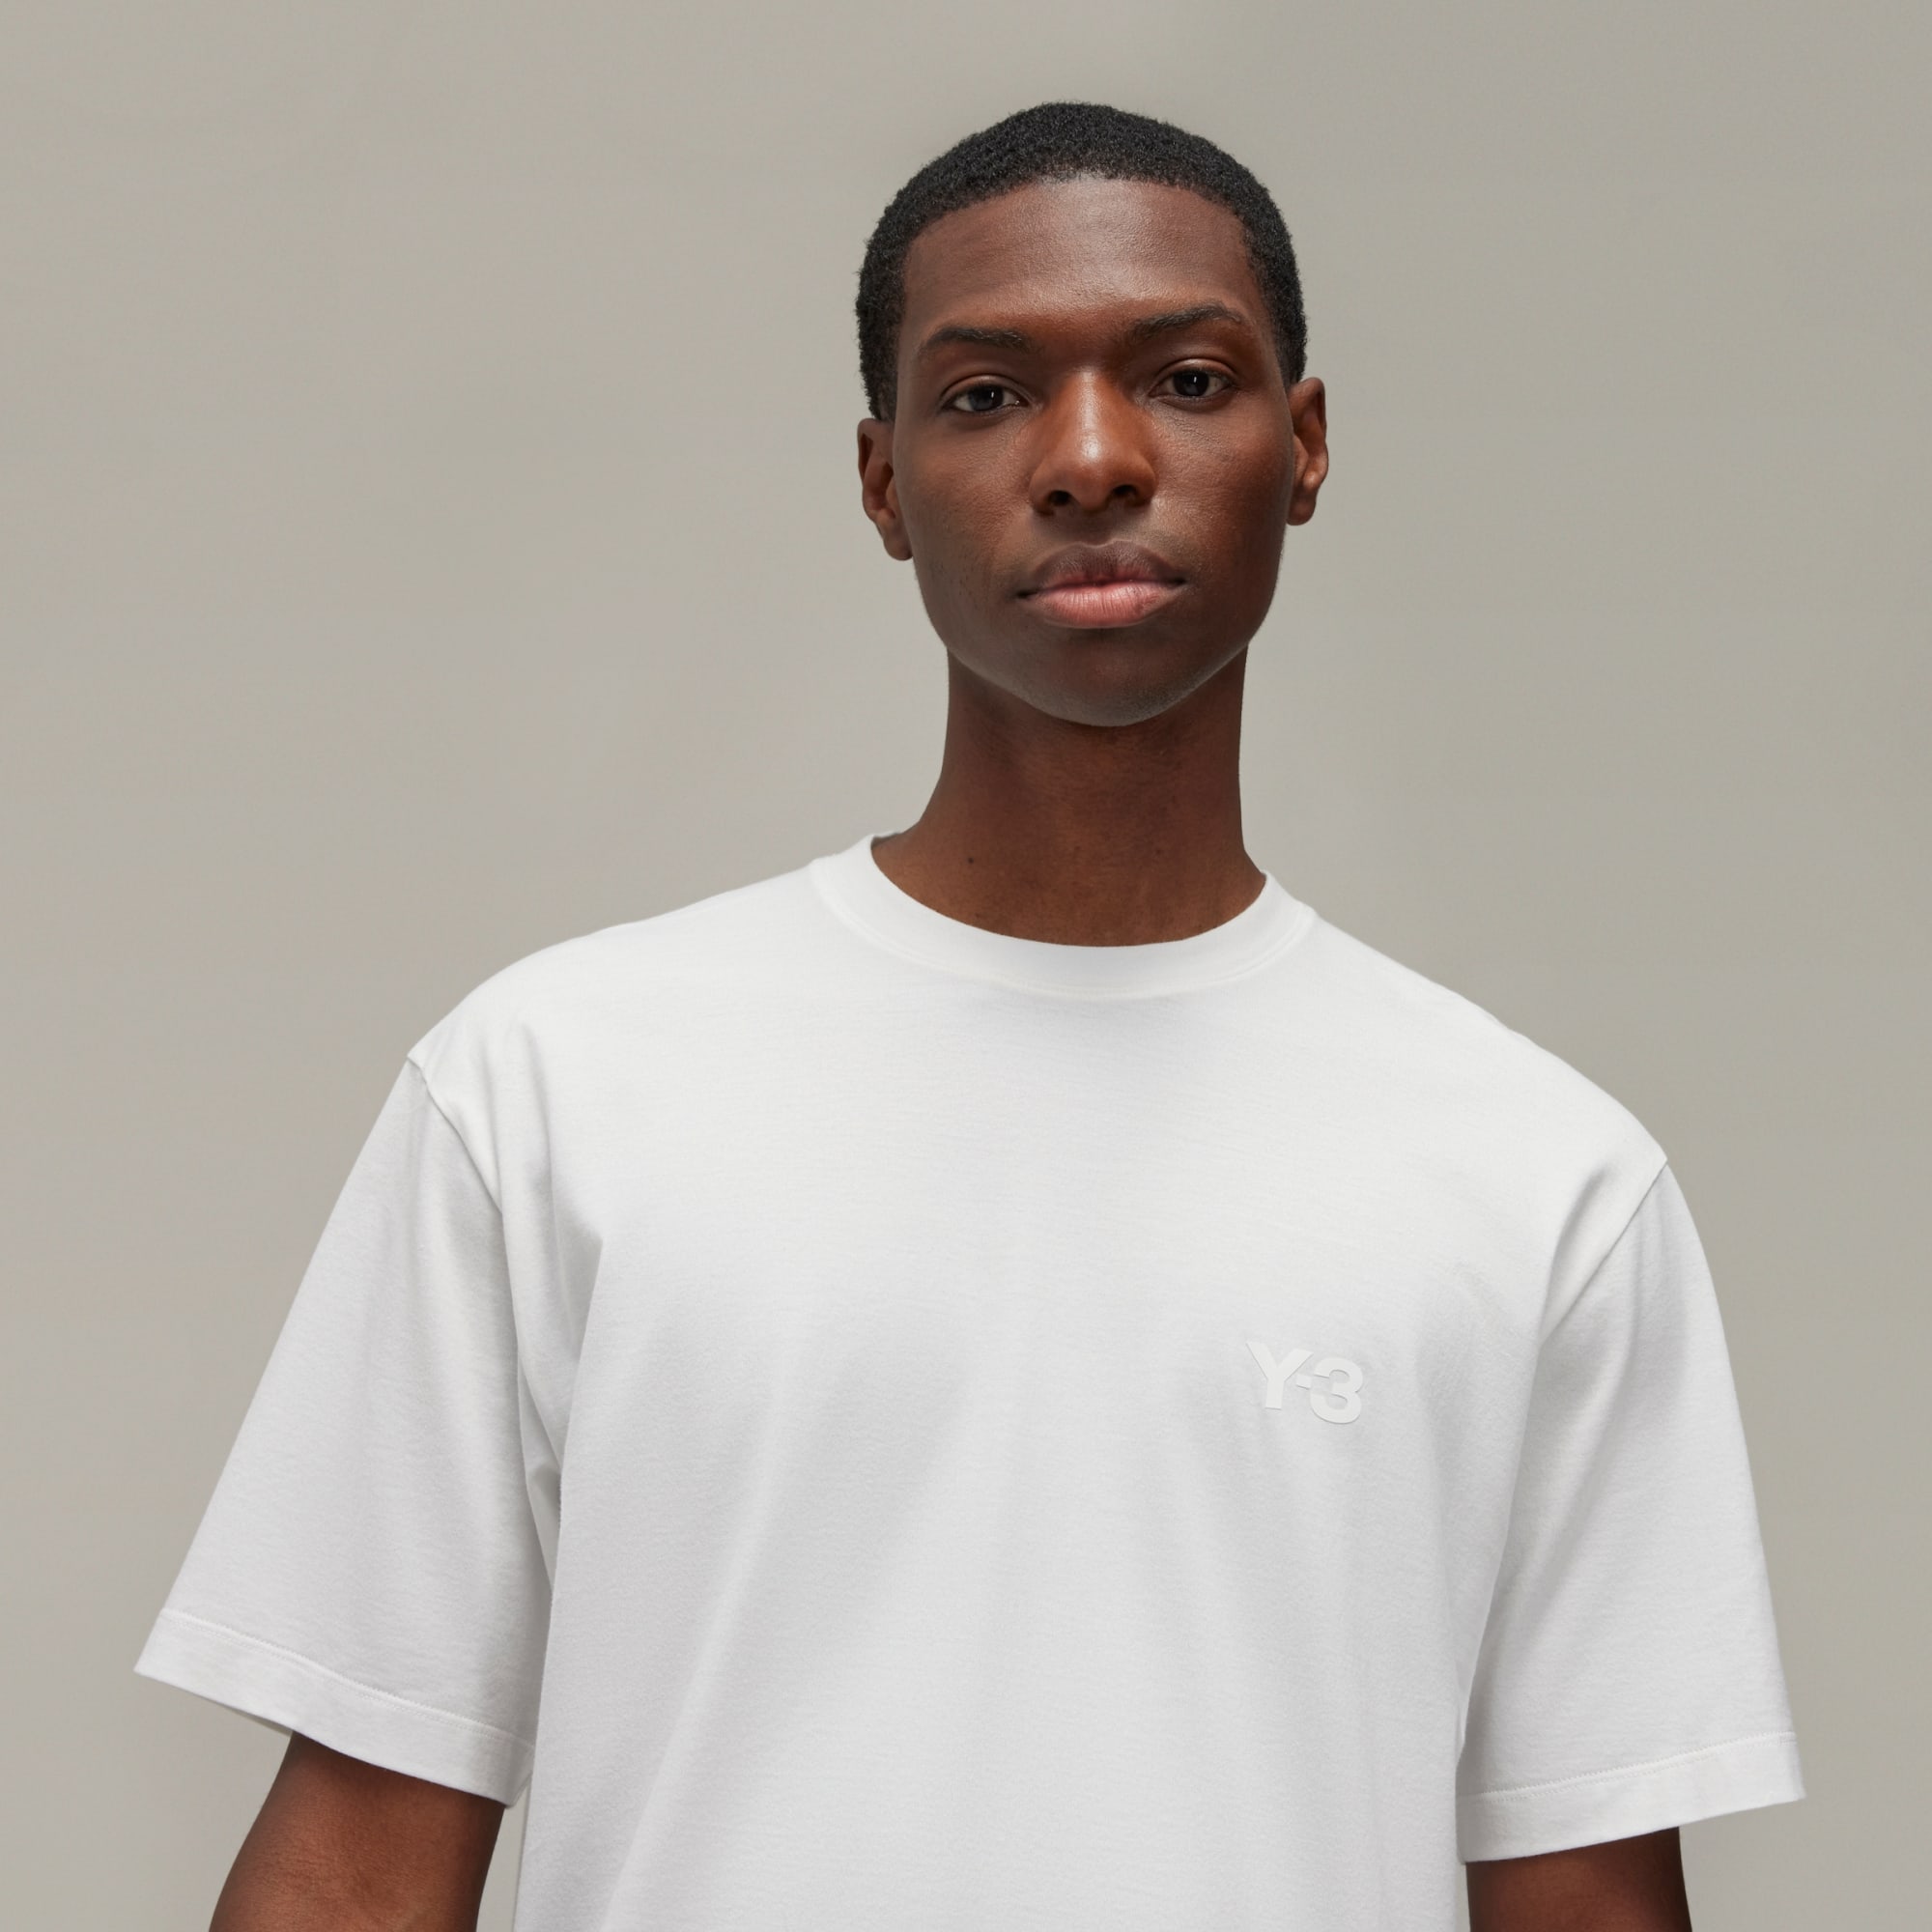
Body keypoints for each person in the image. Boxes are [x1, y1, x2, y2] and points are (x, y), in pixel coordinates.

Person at [136, 102, 1803, 1931]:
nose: (1091, 459)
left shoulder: (1545, 1178)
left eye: (1185, 378)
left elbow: (1586, 1900)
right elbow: (355, 1876)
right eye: (988, 394)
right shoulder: (550, 1091)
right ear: (882, 481)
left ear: (1306, 445)